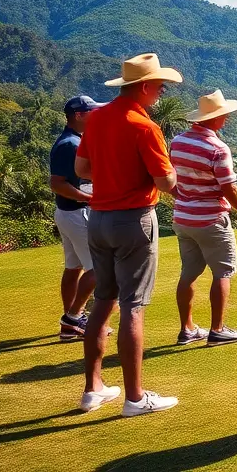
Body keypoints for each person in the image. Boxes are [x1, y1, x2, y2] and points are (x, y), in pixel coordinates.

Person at [75, 54, 183, 416]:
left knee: (103, 301)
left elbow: (82, 168)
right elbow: (165, 182)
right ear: (144, 87)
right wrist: (171, 175)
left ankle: (93, 389)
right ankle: (135, 398)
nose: (162, 91)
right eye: (160, 86)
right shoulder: (144, 126)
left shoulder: (97, 118)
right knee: (133, 307)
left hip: (99, 218)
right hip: (133, 219)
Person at [170, 90, 237, 346]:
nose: (226, 118)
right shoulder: (217, 148)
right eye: (224, 114)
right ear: (216, 118)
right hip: (211, 218)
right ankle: (217, 330)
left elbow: (170, 177)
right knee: (223, 272)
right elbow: (229, 186)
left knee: (189, 273)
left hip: (183, 218)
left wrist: (183, 196)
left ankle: (187, 329)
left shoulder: (177, 141)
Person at [49, 95, 104, 341]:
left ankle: (71, 322)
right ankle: (74, 317)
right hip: (77, 213)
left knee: (74, 267)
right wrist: (87, 198)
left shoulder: (72, 140)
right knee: (99, 268)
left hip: (67, 213)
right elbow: (56, 183)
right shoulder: (70, 144)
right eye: (91, 112)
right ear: (79, 115)